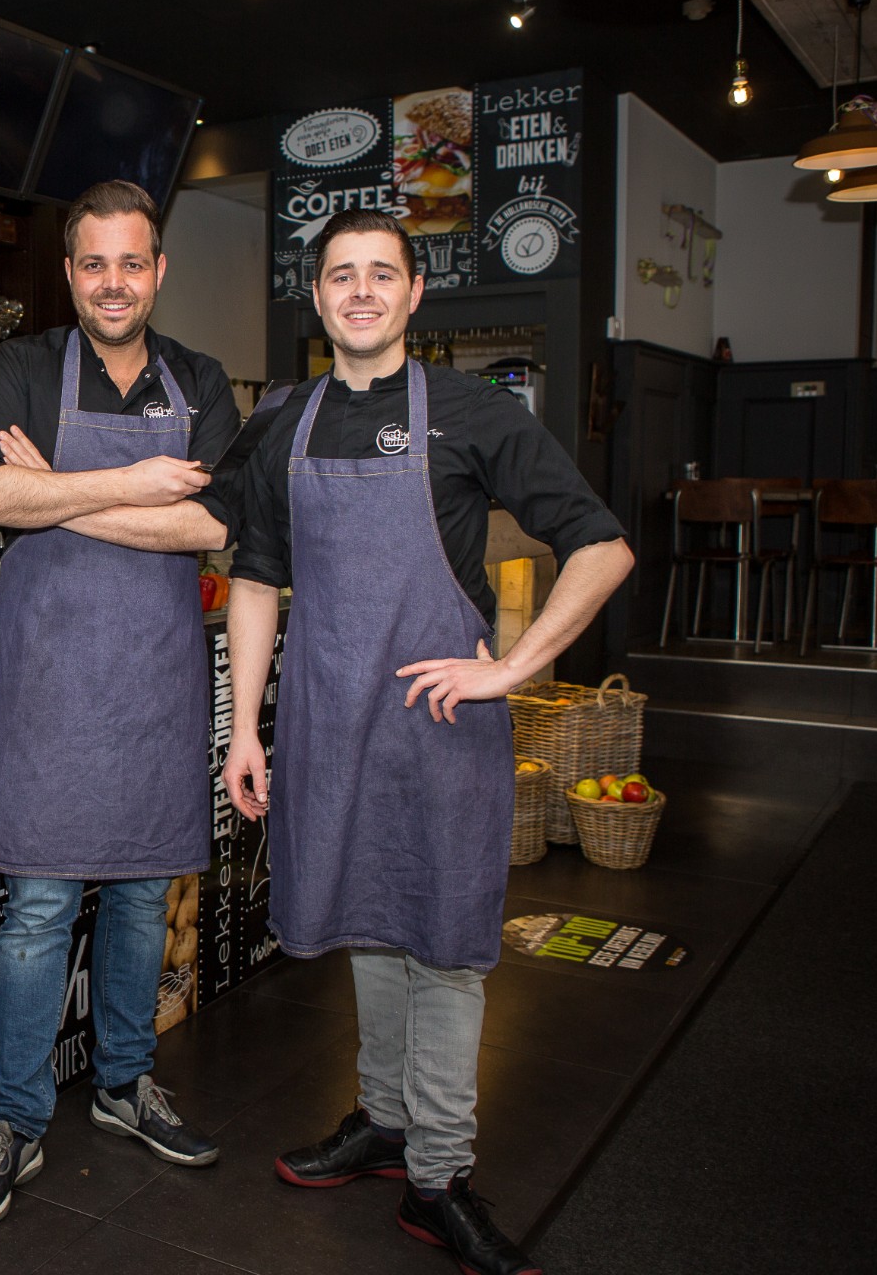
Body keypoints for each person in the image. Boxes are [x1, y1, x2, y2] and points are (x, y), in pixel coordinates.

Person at [220, 209, 633, 1275]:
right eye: (341, 276)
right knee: (372, 921)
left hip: (442, 729)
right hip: (328, 721)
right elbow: (257, 579)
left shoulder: (469, 413)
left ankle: (439, 1175)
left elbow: (602, 544)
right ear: (317, 298)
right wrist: (245, 726)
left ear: (413, 295)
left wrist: (510, 667)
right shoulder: (284, 421)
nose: (360, 291)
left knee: (445, 944)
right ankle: (386, 1122)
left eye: (382, 275)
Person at [0, 180, 236, 1229]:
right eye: (93, 263)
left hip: (154, 674)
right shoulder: (22, 365)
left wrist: (59, 490)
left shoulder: (196, 377)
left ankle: (122, 1083)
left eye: (133, 262)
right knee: (38, 912)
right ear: (69, 274)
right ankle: (14, 1118)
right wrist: (136, 484)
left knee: (144, 899)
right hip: (52, 681)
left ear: (158, 270)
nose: (114, 281)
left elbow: (213, 527)